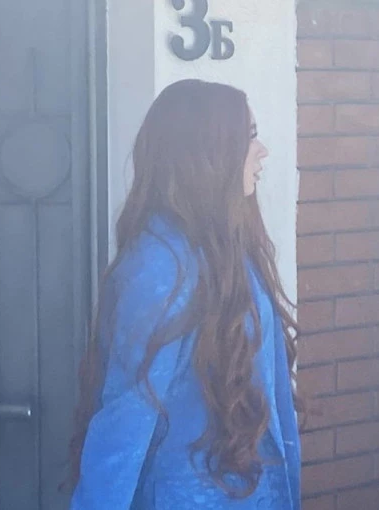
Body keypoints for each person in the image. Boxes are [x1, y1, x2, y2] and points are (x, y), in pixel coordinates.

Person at [66, 79, 302, 509]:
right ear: (206, 154)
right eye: (248, 137)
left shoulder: (229, 252)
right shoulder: (160, 270)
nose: (262, 150)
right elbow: (125, 425)